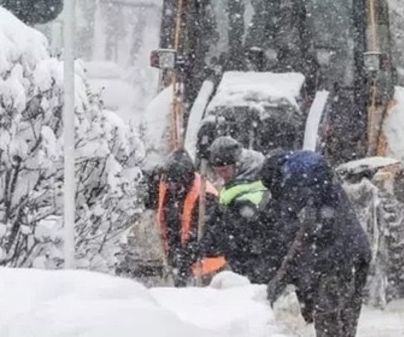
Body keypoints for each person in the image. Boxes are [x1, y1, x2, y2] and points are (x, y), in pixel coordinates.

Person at [260, 149, 370, 337]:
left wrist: (278, 281)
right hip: (359, 250)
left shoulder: (294, 187)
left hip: (335, 259)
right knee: (348, 318)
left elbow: (302, 238)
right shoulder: (319, 181)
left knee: (327, 319)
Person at [204, 136, 281, 284]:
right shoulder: (235, 186)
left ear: (238, 165)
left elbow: (243, 232)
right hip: (249, 263)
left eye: (225, 170)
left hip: (258, 264)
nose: (221, 176)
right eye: (217, 171)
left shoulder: (253, 190)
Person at [150, 149, 226, 287]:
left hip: (206, 267)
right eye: (170, 183)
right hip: (179, 261)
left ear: (187, 179)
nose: (172, 187)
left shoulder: (205, 196)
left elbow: (211, 236)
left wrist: (188, 254)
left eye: (176, 184)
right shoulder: (165, 185)